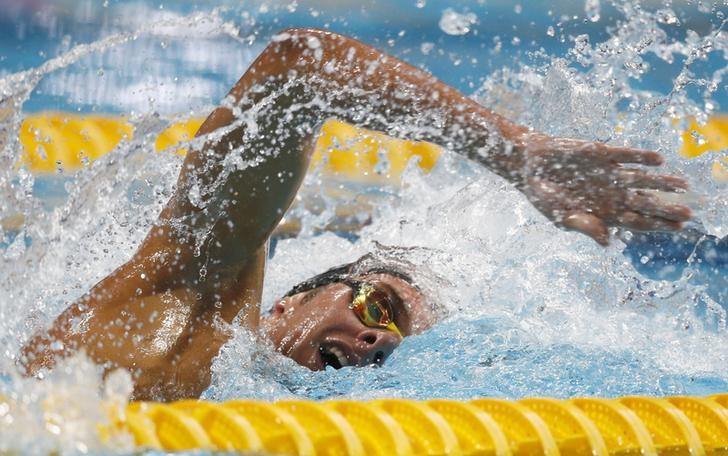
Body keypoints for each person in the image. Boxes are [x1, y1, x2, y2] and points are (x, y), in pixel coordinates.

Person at [19, 28, 691, 402]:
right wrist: (513, 152)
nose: (379, 343)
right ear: (285, 305)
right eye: (378, 308)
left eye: (397, 344)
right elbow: (294, 71)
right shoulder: (178, 321)